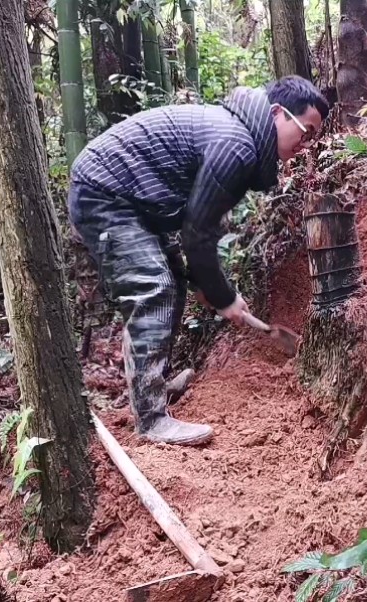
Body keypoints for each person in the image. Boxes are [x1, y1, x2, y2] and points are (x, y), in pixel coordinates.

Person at [68, 76, 330, 446]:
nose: (306, 145)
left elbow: (198, 228)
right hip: (105, 192)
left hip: (132, 201)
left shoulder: (236, 136)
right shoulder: (235, 145)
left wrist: (204, 283)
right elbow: (197, 234)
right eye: (306, 131)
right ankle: (151, 418)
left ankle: (154, 383)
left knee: (171, 279)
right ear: (277, 114)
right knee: (153, 289)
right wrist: (223, 296)